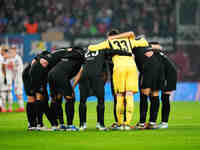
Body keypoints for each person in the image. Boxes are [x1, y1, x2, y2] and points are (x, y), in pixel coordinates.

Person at [108, 32, 165, 129]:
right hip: (158, 67)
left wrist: (113, 38)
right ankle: (152, 122)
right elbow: (159, 47)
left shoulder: (129, 44)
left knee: (144, 96)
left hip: (146, 69)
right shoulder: (143, 43)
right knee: (154, 95)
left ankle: (142, 123)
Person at [88, 29, 141, 130]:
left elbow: (91, 47)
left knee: (119, 96)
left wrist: (110, 40)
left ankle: (120, 123)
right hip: (132, 67)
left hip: (118, 70)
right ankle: (127, 123)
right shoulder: (129, 41)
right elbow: (142, 41)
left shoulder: (108, 42)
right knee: (129, 94)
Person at [73, 49, 132, 131]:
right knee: (101, 100)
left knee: (83, 101)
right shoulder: (102, 51)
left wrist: (74, 85)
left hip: (84, 76)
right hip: (96, 77)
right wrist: (128, 53)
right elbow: (115, 51)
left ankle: (82, 125)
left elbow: (81, 69)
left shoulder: (85, 53)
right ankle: (100, 124)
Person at [43, 46, 87, 131]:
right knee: (70, 99)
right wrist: (73, 86)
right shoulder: (81, 57)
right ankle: (70, 125)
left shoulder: (67, 55)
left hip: (51, 74)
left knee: (56, 99)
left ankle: (59, 124)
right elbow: (81, 72)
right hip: (61, 75)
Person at [150, 42, 177, 129]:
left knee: (164, 98)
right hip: (165, 74)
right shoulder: (157, 54)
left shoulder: (154, 54)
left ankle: (164, 122)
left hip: (169, 76)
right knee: (157, 97)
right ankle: (154, 121)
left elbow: (161, 68)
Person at [10, 45, 24, 112]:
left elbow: (17, 68)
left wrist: (11, 66)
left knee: (19, 93)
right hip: (16, 78)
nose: (12, 51)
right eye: (11, 49)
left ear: (15, 50)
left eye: (13, 49)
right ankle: (20, 107)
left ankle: (21, 107)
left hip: (19, 78)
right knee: (16, 93)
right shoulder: (13, 58)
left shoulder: (17, 58)